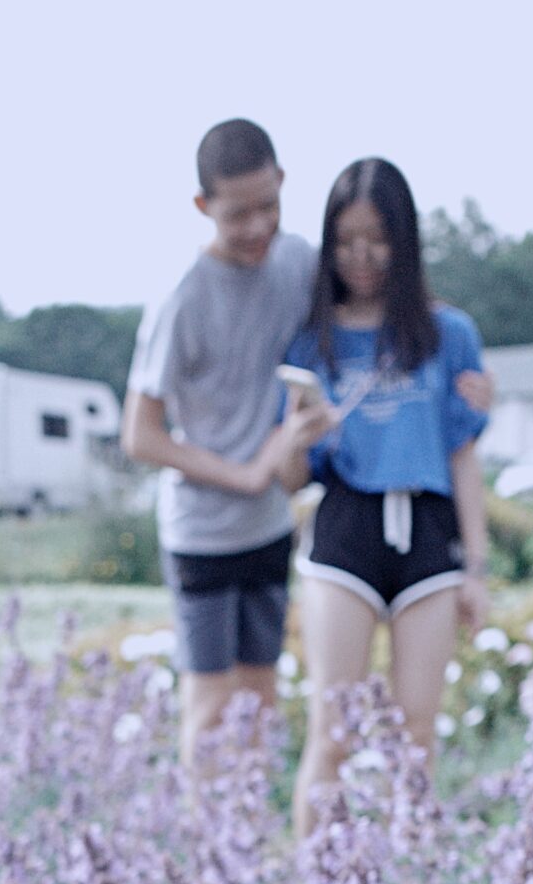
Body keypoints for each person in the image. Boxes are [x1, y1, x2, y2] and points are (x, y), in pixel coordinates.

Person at [284, 157, 492, 836]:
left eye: (377, 239)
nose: (362, 256)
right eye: (345, 241)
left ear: (403, 241)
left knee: (416, 732)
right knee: (334, 727)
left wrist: (478, 570)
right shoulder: (312, 342)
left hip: (428, 532)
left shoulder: (447, 334)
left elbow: (463, 454)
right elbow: (294, 478)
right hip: (346, 527)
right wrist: (295, 436)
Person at [122, 119, 331, 771]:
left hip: (268, 528)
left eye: (269, 206)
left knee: (263, 699)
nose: (257, 227)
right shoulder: (181, 300)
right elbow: (140, 435)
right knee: (211, 706)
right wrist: (242, 475)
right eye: (238, 214)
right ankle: (211, 854)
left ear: (283, 186)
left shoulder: (298, 260)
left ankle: (253, 839)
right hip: (202, 534)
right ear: (203, 207)